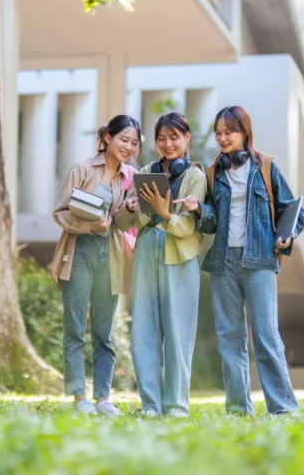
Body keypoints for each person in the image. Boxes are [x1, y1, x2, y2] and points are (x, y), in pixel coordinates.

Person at [182, 105, 304, 416]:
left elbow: (295, 211)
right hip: (223, 263)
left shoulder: (265, 167)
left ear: (244, 132)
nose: (222, 138)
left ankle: (283, 409)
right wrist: (199, 209)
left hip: (260, 261)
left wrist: (286, 235)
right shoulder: (213, 173)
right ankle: (239, 409)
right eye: (218, 133)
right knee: (230, 339)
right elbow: (211, 222)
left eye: (229, 132)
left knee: (266, 336)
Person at [116, 112, 206, 418]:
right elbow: (131, 222)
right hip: (146, 253)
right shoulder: (145, 172)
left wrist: (164, 213)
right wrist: (134, 207)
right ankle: (151, 405)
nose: (168, 144)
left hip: (179, 256)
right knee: (144, 329)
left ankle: (177, 405)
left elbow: (187, 227)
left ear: (187, 138)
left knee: (179, 332)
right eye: (162, 138)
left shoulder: (195, 176)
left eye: (174, 137)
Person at [50, 114, 142, 415]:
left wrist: (130, 208)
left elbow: (122, 224)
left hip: (110, 254)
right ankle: (80, 398)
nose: (128, 147)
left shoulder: (129, 177)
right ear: (108, 138)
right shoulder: (82, 168)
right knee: (75, 328)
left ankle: (103, 399)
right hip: (79, 251)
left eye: (134, 143)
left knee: (105, 332)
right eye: (124, 139)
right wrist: (90, 226)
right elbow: (60, 212)